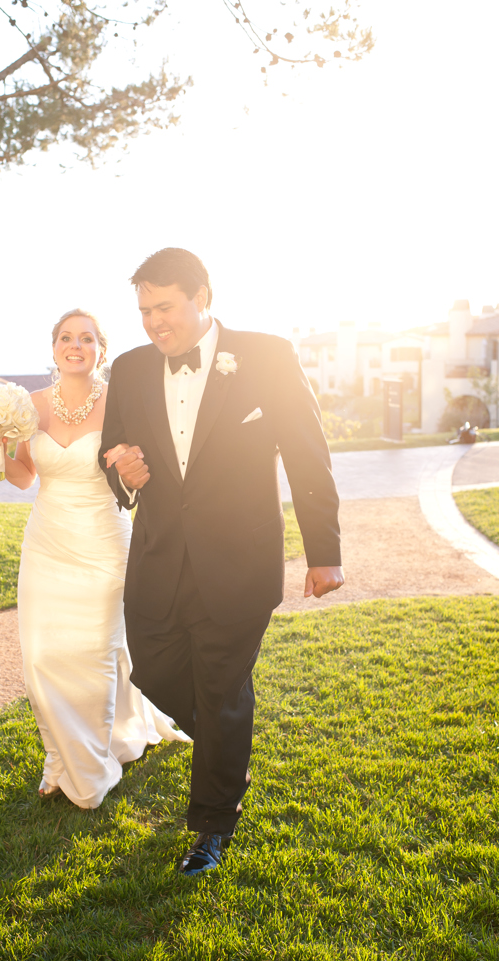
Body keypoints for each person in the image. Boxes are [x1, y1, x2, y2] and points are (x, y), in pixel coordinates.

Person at [100, 249, 343, 875]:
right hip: (158, 559)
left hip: (241, 559)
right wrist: (122, 473)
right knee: (153, 666)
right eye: (144, 311)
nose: (154, 323)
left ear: (202, 295)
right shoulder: (127, 370)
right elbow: (114, 456)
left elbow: (306, 454)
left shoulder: (266, 355)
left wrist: (325, 553)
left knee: (221, 683)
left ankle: (212, 825)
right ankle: (221, 730)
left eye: (165, 307)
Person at [0, 308, 190, 810]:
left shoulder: (119, 402)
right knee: (42, 655)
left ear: (101, 349)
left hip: (103, 540)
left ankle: (93, 765)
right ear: (53, 347)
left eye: (87, 338)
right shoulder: (29, 406)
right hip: (47, 542)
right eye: (66, 338)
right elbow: (25, 476)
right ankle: (59, 757)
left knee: (96, 652)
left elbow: (138, 470)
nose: (76, 346)